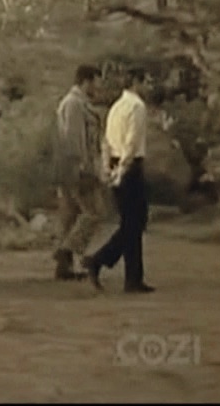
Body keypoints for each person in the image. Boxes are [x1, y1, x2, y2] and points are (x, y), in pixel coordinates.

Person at [82, 67, 155, 293]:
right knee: (135, 221)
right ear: (137, 82)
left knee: (130, 222)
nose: (149, 86)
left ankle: (133, 277)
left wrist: (108, 167)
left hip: (115, 162)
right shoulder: (136, 107)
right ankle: (100, 259)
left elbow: (106, 140)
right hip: (129, 166)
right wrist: (123, 170)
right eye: (146, 81)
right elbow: (131, 143)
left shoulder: (116, 107)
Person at [51, 65, 105, 281]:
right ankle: (67, 250)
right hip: (77, 169)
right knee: (94, 212)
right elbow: (74, 140)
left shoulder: (77, 103)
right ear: (87, 81)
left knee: (70, 216)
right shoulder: (74, 104)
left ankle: (63, 267)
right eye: (97, 81)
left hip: (69, 169)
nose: (99, 87)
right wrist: (83, 167)